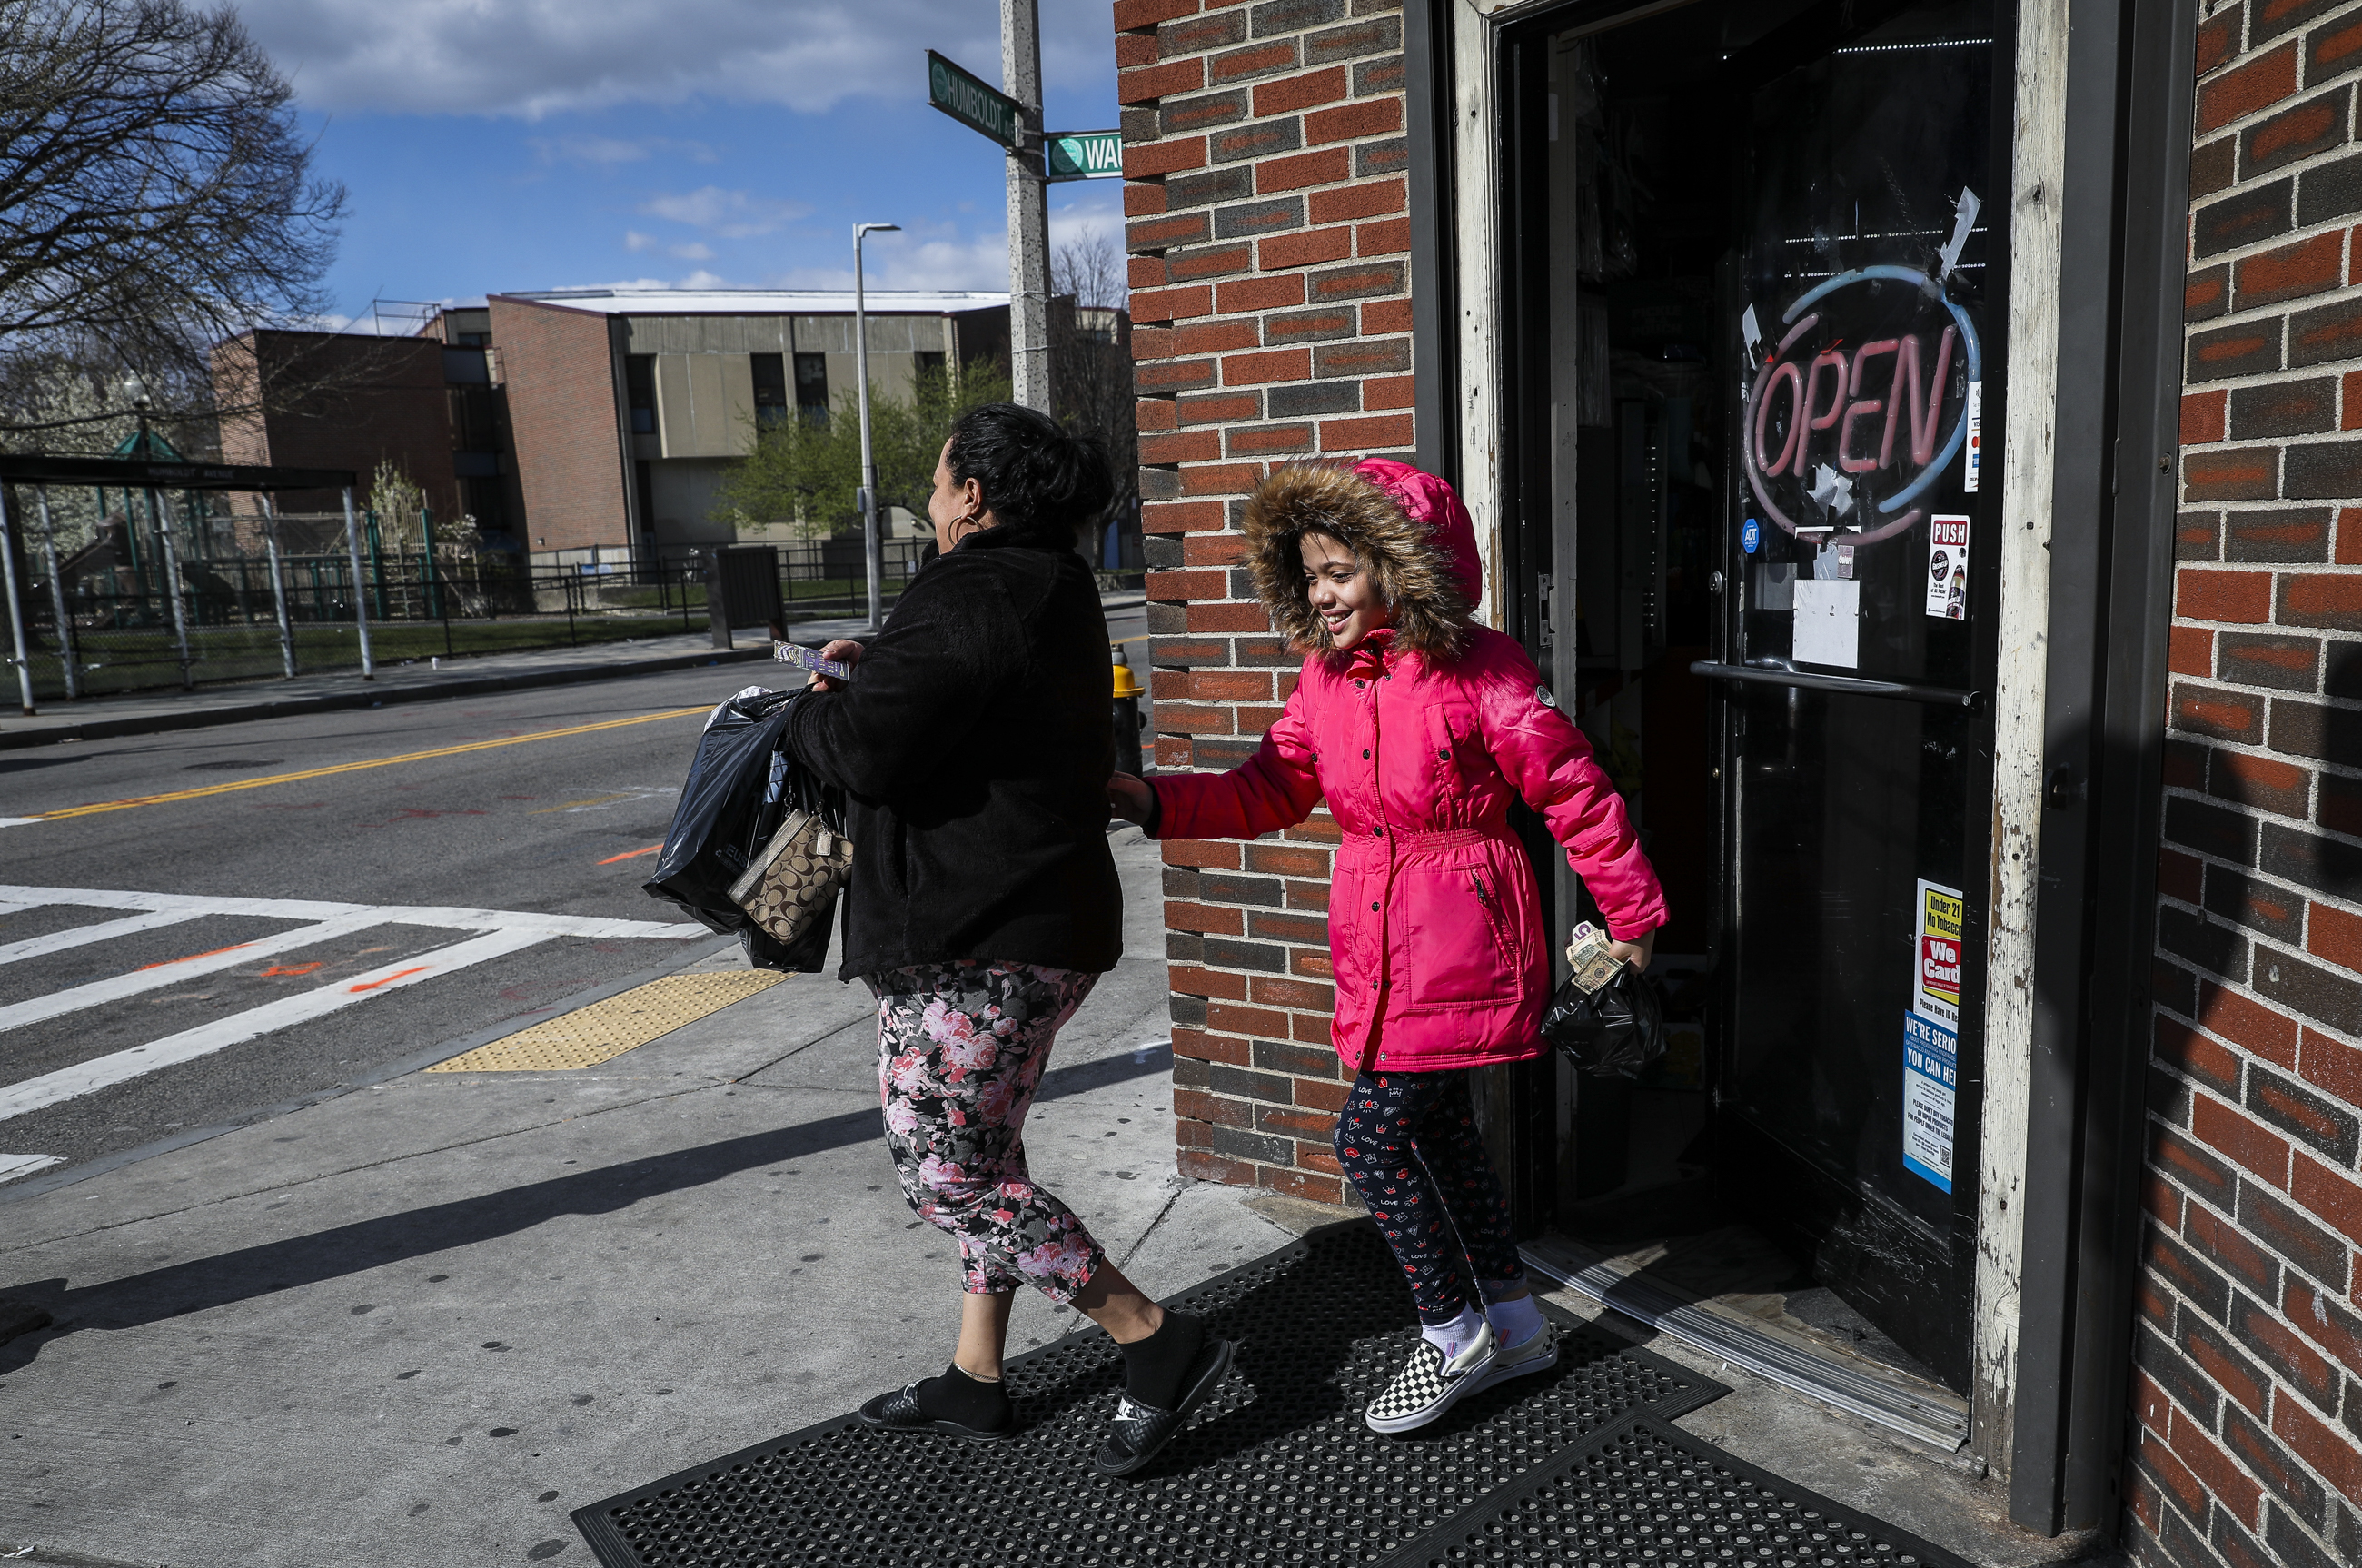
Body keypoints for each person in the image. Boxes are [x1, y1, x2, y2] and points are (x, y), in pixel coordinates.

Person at [1107, 460, 1665, 1435]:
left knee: (1367, 1138)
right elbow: (1268, 787)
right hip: (1380, 945)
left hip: (1463, 951)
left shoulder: (1480, 671)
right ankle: (1517, 1324)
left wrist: (1630, 922)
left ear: (1399, 569)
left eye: (1338, 572)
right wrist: (1151, 798)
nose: (1318, 594)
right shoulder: (1325, 679)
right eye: (1309, 573)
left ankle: (1452, 1333)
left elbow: (1574, 790)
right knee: (1439, 1139)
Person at [786, 402, 1236, 1475]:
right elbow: (944, 701)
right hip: (1023, 920)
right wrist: (877, 664)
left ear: (973, 496)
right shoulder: (1044, 586)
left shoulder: (979, 584)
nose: (931, 497)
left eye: (940, 480)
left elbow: (866, 749)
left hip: (979, 931)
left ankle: (1152, 1338)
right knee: (989, 1152)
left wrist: (810, 703)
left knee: (943, 1169)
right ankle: (975, 1377)